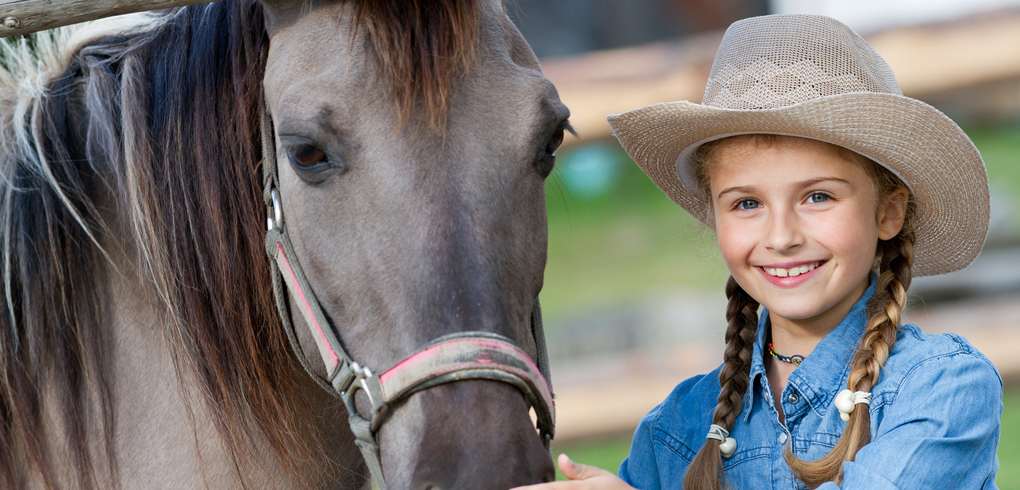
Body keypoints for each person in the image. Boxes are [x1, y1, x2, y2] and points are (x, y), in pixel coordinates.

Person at [514, 13, 1002, 490]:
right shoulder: (675, 431)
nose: (782, 235)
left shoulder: (942, 388)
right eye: (747, 203)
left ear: (888, 212)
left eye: (818, 197)